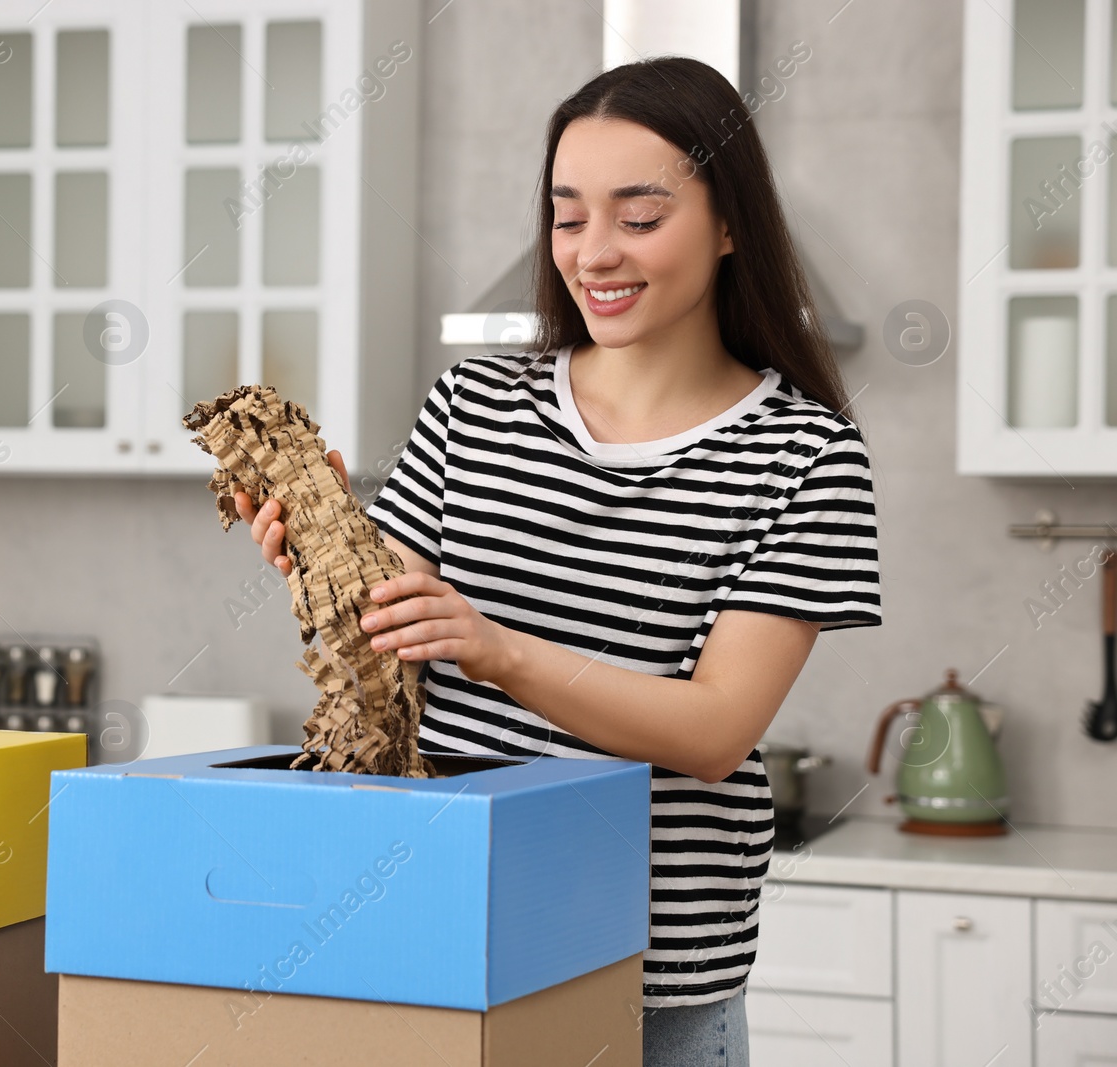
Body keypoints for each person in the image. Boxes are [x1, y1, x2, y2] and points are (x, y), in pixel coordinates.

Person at [235, 55, 880, 1066]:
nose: (593, 252)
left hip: (648, 971)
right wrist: (314, 548)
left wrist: (499, 650)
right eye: (567, 214)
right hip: (449, 931)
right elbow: (389, 638)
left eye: (638, 215)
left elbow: (713, 733)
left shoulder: (804, 457)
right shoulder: (473, 403)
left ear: (727, 223)